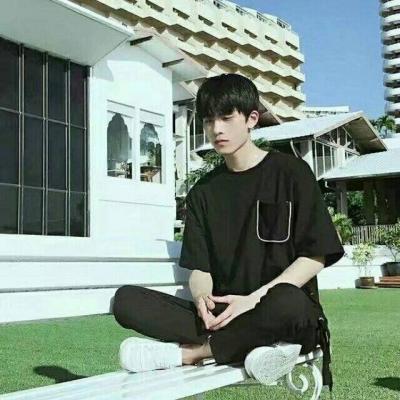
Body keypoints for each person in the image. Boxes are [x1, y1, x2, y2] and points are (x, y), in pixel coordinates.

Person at [113, 73, 345, 392]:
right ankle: (253, 346)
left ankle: (193, 353)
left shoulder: (291, 173)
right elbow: (200, 268)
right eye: (209, 121)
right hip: (226, 315)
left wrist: (252, 301)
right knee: (126, 301)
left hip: (280, 309)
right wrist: (202, 300)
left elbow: (314, 256)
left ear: (251, 119)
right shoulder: (203, 193)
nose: (216, 129)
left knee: (288, 302)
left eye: (226, 118)